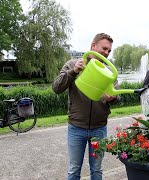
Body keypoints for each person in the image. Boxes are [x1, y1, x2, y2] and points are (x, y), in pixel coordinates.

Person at [52, 33, 119, 180]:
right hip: (76, 128)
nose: (107, 53)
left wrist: (113, 98)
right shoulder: (73, 64)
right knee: (74, 171)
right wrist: (73, 72)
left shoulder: (109, 73)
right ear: (93, 46)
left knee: (97, 171)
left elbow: (116, 96)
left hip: (99, 128)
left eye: (109, 51)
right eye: (104, 48)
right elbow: (56, 88)